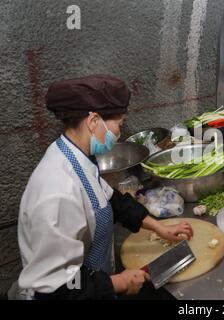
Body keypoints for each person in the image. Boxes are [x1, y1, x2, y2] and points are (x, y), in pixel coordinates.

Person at [9, 75, 193, 300]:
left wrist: (159, 228)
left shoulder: (76, 157)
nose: (119, 133)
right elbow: (56, 288)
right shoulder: (58, 192)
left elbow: (112, 201)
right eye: (120, 124)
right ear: (94, 121)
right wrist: (118, 282)